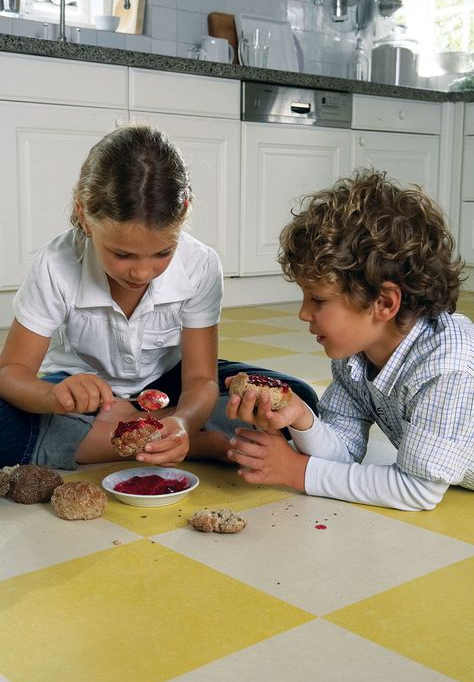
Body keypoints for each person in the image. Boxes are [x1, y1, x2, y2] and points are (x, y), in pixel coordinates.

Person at [0, 123, 317, 471]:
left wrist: (183, 422)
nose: (142, 273)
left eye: (162, 253)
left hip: (168, 384)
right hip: (77, 392)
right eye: (122, 255)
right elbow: (12, 372)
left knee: (298, 398)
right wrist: (53, 397)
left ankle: (129, 434)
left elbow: (200, 380)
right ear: (84, 217)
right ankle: (196, 444)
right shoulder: (55, 263)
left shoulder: (200, 265)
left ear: (183, 215)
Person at [226, 169, 474, 511]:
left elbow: (418, 489)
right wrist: (301, 417)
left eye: (318, 300)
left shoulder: (446, 368)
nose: (303, 314)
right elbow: (344, 452)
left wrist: (296, 472)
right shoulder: (354, 357)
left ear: (384, 303)